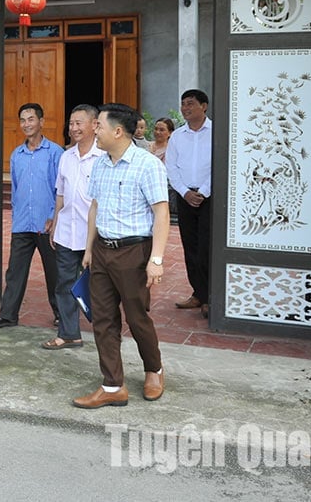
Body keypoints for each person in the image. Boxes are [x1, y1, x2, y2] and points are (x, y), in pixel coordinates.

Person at [73, 103, 169, 408]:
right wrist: (89, 248)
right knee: (102, 319)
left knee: (138, 316)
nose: (94, 130)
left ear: (117, 131)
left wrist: (156, 259)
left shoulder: (147, 164)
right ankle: (113, 386)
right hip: (102, 251)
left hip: (134, 253)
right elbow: (95, 208)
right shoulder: (100, 163)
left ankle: (154, 369)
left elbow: (161, 213)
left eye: (98, 125)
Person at [0, 103, 63, 329]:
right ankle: (8, 315)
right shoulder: (16, 155)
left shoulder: (55, 152)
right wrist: (17, 214)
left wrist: (53, 217)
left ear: (41, 122)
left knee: (54, 273)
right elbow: (17, 189)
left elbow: (61, 189)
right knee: (15, 272)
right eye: (22, 120)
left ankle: (61, 314)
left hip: (48, 224)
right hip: (22, 224)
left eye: (31, 119)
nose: (26, 124)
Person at [43, 104, 103, 350]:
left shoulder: (104, 157)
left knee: (101, 286)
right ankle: (69, 333)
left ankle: (105, 334)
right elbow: (60, 194)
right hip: (68, 230)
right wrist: (56, 224)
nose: (74, 128)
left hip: (97, 234)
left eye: (79, 123)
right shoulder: (66, 157)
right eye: (71, 123)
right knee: (64, 283)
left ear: (94, 125)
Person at [165, 89, 213, 318]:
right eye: (183, 104)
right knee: (190, 247)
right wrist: (185, 192)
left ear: (204, 106)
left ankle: (209, 296)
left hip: (209, 198)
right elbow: (171, 168)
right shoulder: (177, 136)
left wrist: (203, 192)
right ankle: (198, 293)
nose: (185, 108)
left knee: (206, 248)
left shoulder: (216, 133)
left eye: (190, 104)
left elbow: (219, 164)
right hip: (185, 198)